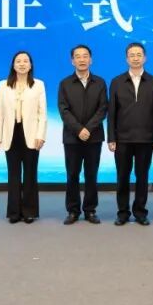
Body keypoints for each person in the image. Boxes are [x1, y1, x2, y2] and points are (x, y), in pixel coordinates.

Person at [107, 42, 153, 226]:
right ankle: (122, 212)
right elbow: (112, 112)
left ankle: (140, 212)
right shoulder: (117, 82)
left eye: (139, 55)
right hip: (122, 139)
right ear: (126, 59)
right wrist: (111, 137)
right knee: (122, 177)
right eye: (132, 55)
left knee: (142, 176)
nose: (136, 58)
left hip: (145, 139)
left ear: (145, 58)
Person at [0, 50, 47, 224]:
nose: (22, 64)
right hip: (11, 134)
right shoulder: (3, 85)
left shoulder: (38, 85)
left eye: (25, 61)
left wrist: (40, 135)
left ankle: (29, 211)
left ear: (30, 65)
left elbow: (42, 114)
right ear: (13, 65)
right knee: (13, 174)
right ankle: (14, 212)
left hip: (31, 135)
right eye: (18, 61)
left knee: (30, 174)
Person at [57, 44, 108, 225]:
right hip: (72, 137)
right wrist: (79, 129)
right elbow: (64, 110)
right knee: (72, 174)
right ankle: (73, 210)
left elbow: (103, 108)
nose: (82, 59)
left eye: (85, 56)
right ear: (72, 61)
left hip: (94, 137)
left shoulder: (100, 82)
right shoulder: (65, 83)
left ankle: (90, 210)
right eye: (77, 56)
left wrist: (88, 129)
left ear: (90, 60)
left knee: (91, 174)